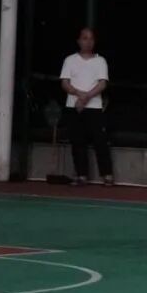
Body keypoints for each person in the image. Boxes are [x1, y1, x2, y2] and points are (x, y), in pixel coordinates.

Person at [60, 27, 114, 186]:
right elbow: (65, 83)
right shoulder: (70, 60)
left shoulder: (100, 61)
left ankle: (107, 174)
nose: (88, 42)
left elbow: (102, 83)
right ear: (79, 41)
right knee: (77, 141)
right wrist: (78, 94)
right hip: (73, 106)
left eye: (91, 38)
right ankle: (81, 175)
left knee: (100, 141)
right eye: (84, 38)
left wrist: (85, 97)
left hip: (94, 107)